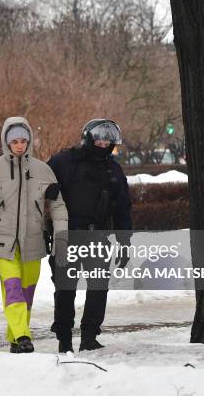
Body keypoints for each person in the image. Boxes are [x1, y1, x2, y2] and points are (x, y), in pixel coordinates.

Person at [0, 117, 68, 353]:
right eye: (15, 141)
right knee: (12, 287)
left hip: (33, 242)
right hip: (3, 242)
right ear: (6, 141)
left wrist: (62, 235)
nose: (20, 145)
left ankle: (15, 338)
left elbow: (58, 206)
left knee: (27, 291)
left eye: (24, 140)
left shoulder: (43, 170)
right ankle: (24, 335)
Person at [47, 119, 132, 353]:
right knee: (65, 289)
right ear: (88, 137)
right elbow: (37, 184)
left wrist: (125, 242)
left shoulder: (113, 170)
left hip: (98, 237)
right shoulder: (64, 161)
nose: (102, 143)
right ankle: (64, 338)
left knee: (98, 287)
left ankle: (89, 336)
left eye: (107, 139)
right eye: (98, 138)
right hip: (68, 235)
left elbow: (123, 208)